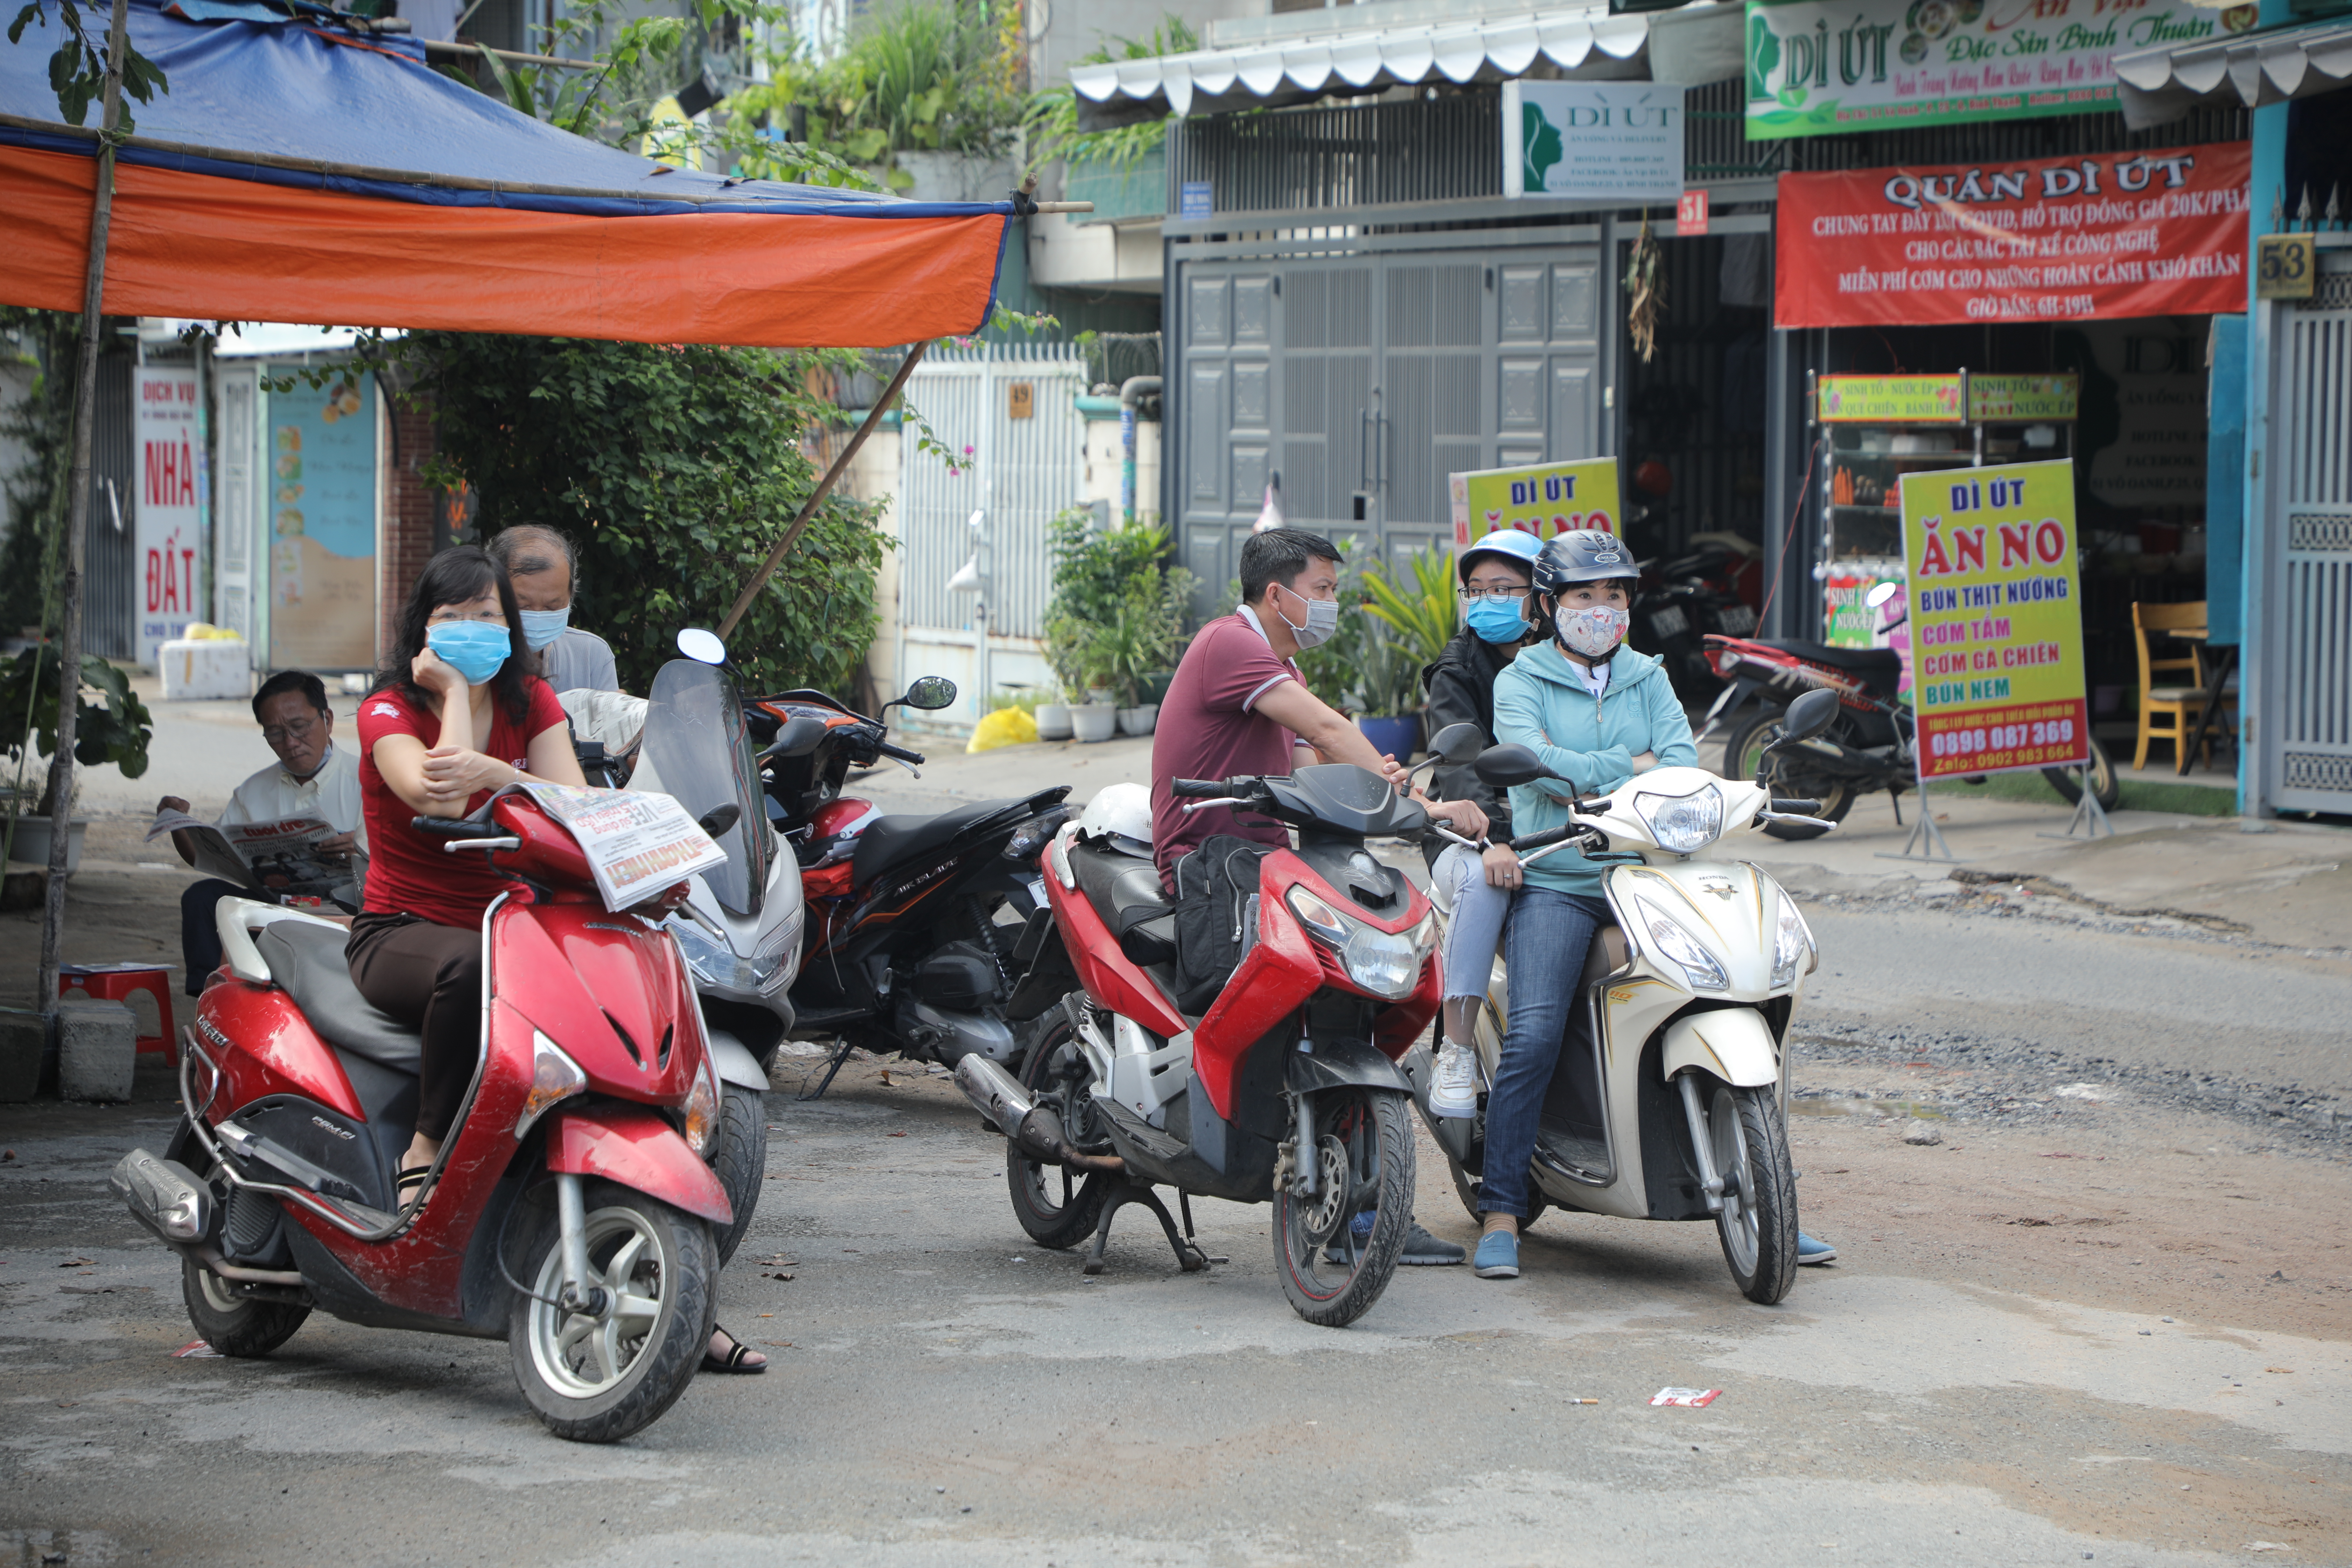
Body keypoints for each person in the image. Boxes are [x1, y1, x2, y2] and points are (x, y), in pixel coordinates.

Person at [350, 545, 767, 1375]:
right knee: (471, 972)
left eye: (488, 617)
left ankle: (680, 1295)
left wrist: (504, 764)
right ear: (420, 629)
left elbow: (569, 800)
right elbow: (441, 791)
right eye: (454, 617)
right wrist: (456, 694)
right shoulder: (389, 710)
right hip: (407, 929)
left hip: (522, 925)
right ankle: (425, 1148)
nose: (474, 630)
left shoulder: (534, 698)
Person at [1471, 531, 1834, 1279]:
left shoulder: (1649, 676)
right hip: (1562, 879)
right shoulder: (1521, 680)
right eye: (1583, 596)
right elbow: (1540, 773)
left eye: (1614, 596)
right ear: (1549, 605)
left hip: (1655, 872)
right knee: (1535, 1031)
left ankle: (1775, 1200)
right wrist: (1626, 766)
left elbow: (1680, 764)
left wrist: (1618, 771)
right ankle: (1503, 1206)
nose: (1601, 610)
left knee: (1745, 994)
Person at [1152, 527, 1489, 1268]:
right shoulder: (1229, 645)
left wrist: (1385, 785)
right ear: (1280, 594)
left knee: (1366, 986)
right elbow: (1332, 729)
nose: (1332, 604)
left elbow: (1317, 755)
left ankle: (1365, 1200)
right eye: (1325, 590)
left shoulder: (1280, 668)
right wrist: (1422, 803)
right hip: (1214, 868)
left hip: (1268, 862)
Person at [1417, 530, 1546, 1119]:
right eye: (1477, 590)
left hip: (1553, 830)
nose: (1487, 600)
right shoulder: (1456, 669)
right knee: (1482, 881)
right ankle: (1458, 1048)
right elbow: (1463, 767)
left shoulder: (1566, 662)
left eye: (1503, 588)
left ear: (1538, 595)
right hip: (1468, 832)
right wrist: (1493, 839)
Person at [161, 669, 367, 997]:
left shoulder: (368, 780)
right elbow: (210, 857)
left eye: (299, 727)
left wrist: (362, 848)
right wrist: (176, 824)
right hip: (277, 904)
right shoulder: (253, 792)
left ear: (327, 719)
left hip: (347, 908)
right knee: (202, 898)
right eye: (275, 733)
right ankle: (211, 998)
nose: (290, 743)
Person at [488, 524, 619, 694]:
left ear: (571, 596)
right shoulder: (472, 659)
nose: (537, 616)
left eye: (552, 607)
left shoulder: (592, 655)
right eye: (522, 606)